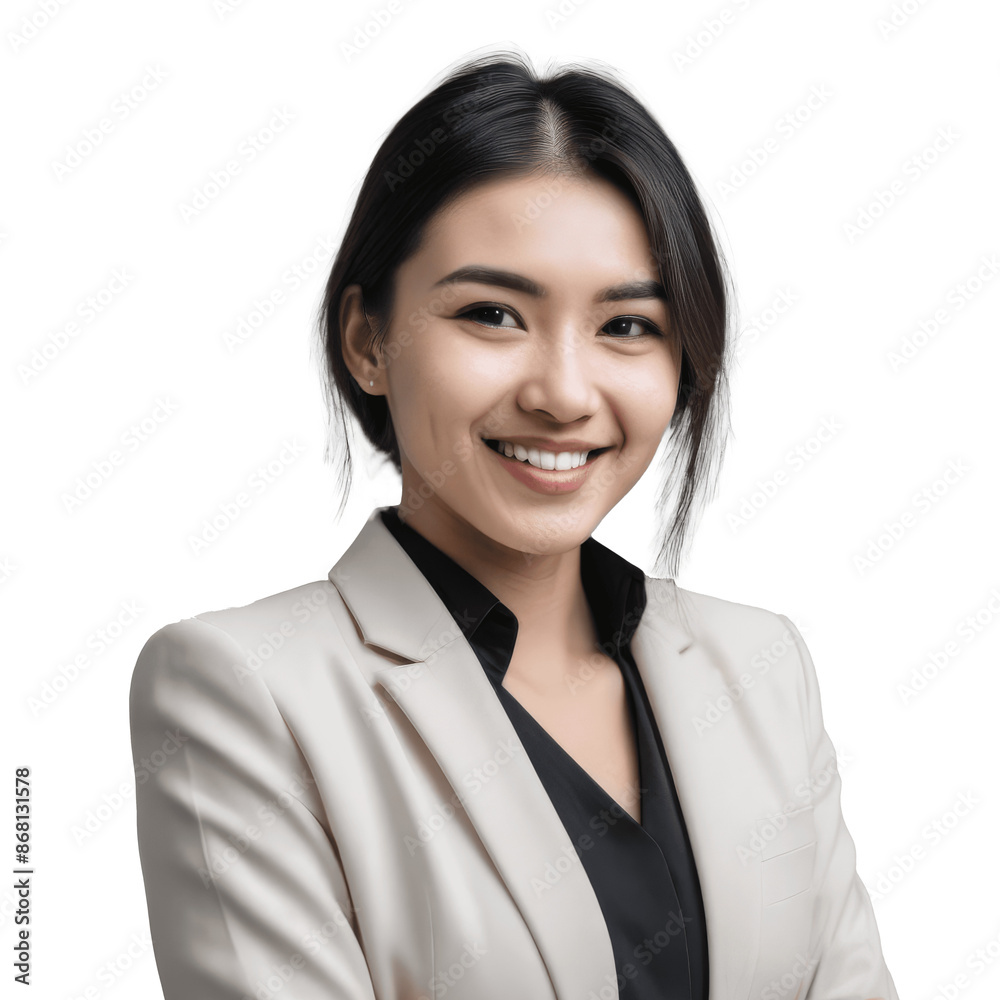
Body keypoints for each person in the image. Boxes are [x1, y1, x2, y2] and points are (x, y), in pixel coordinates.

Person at [129, 50, 899, 1000]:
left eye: (626, 327)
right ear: (368, 340)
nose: (565, 394)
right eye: (494, 314)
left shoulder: (763, 668)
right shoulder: (244, 692)